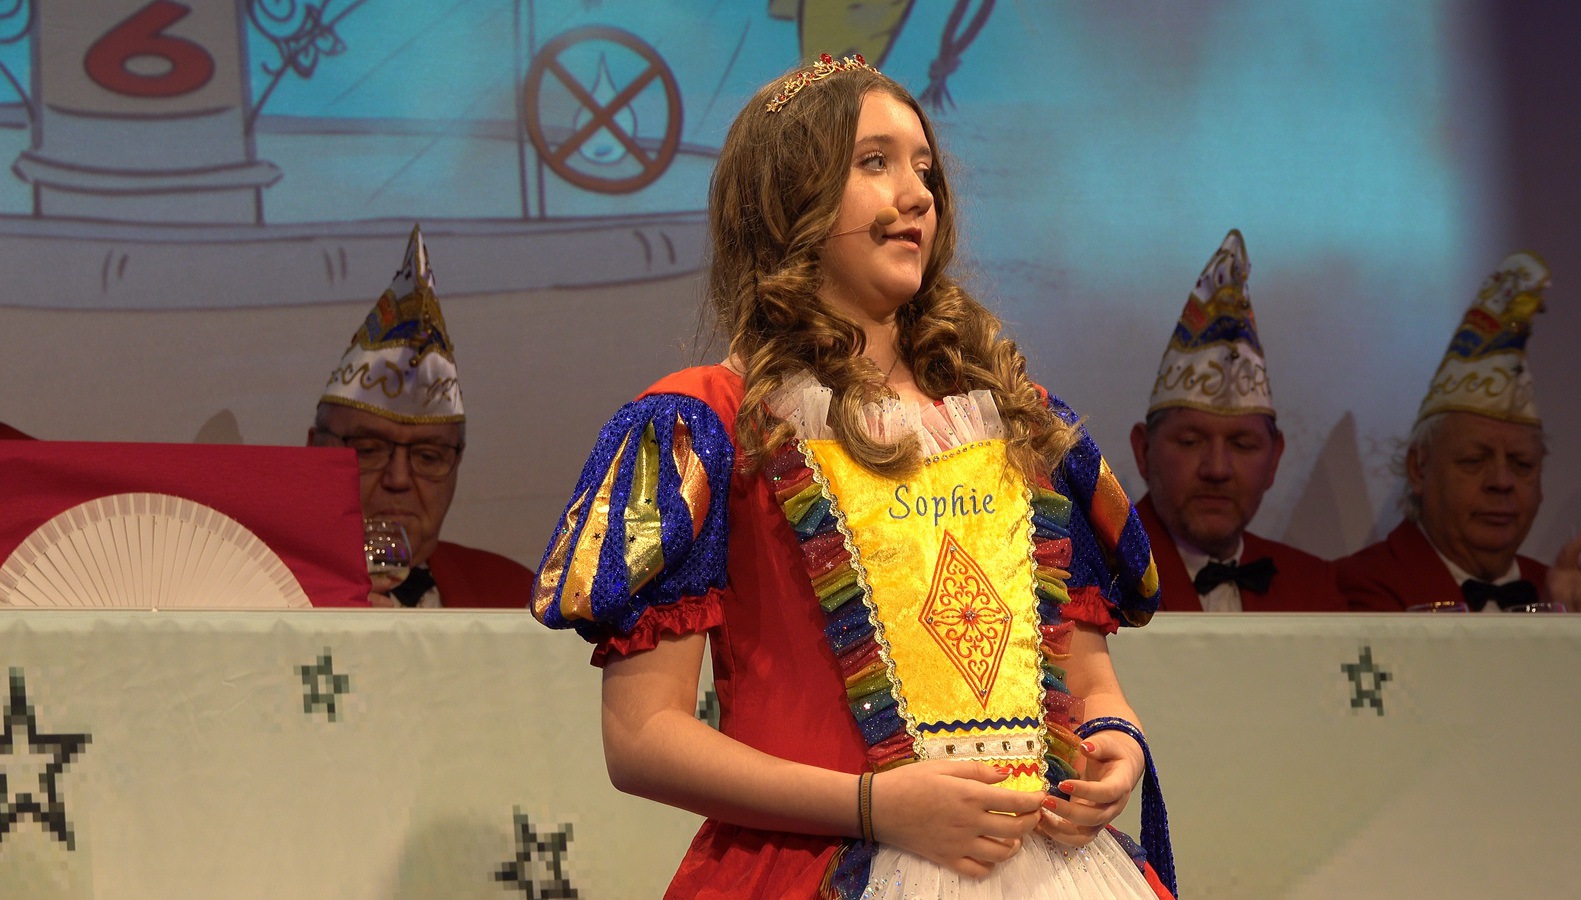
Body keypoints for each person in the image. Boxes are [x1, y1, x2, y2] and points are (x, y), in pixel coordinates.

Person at [533, 56, 1175, 899]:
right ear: (787, 199)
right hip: (824, 867)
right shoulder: (711, 424)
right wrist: (874, 806)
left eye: (923, 169)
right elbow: (641, 737)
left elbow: (1088, 681)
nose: (917, 195)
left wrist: (1113, 742)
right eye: (874, 162)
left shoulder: (1014, 417)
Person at [308, 226, 533, 609]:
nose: (398, 479)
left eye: (429, 456)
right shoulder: (252, 601)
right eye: (368, 450)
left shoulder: (514, 600)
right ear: (315, 452)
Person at [1129, 230, 1345, 613]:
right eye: (1190, 441)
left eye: (1242, 445)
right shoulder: (1096, 580)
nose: (1217, 469)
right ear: (1143, 451)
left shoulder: (1314, 590)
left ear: (1274, 459)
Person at [1337, 252, 1565, 612]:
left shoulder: (1559, 593)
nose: (1502, 482)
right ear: (1418, 468)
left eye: (1522, 464)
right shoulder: (1354, 587)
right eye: (1474, 460)